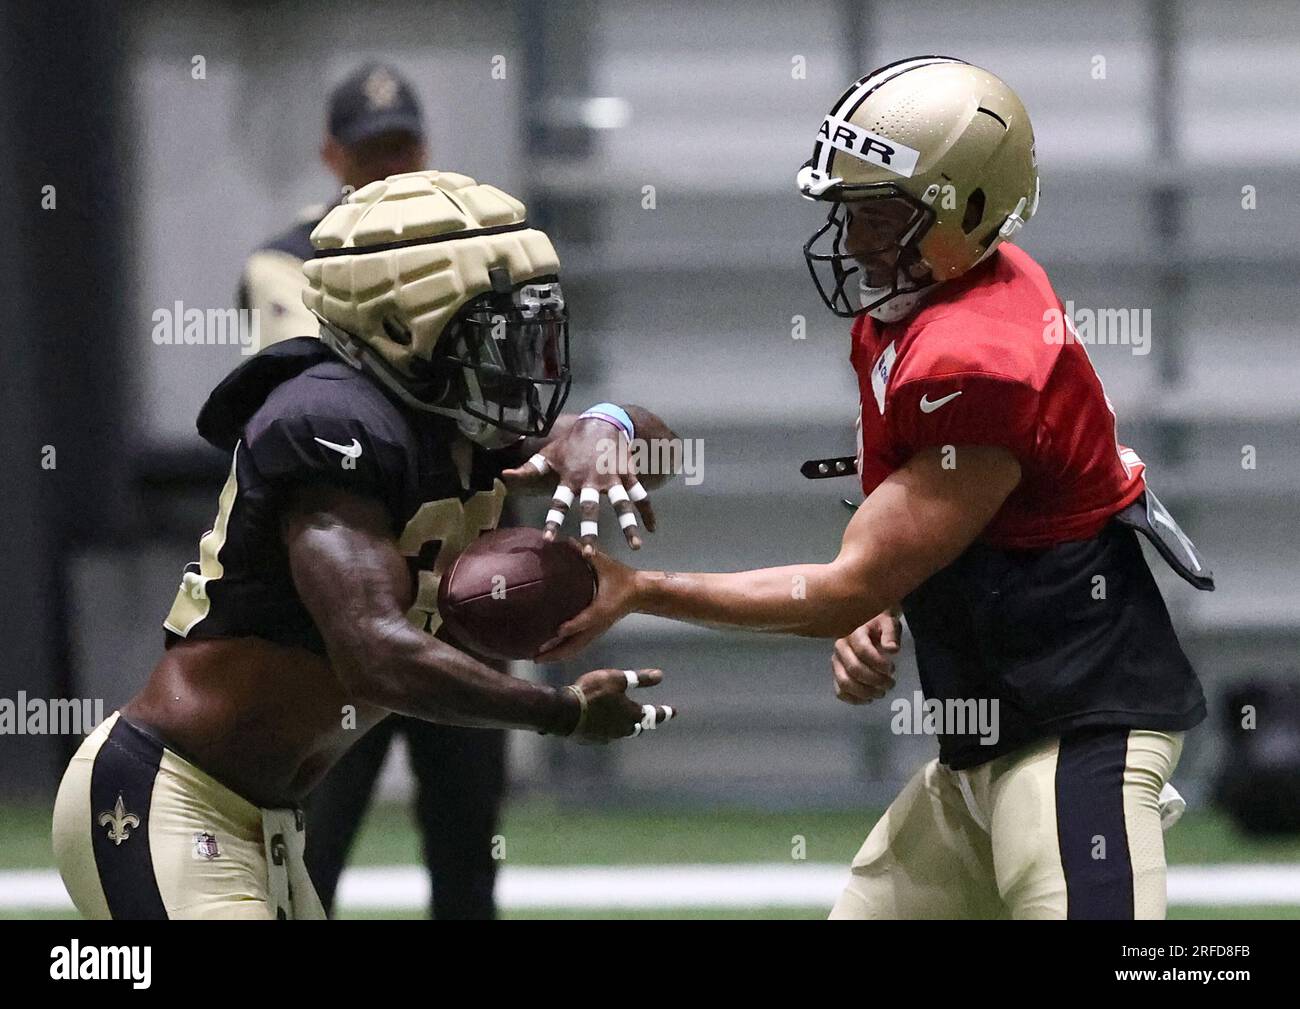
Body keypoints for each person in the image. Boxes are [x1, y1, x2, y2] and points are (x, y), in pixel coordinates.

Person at [541, 56, 1212, 920]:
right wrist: (884, 596)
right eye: (849, 211)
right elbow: (914, 518)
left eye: (884, 213)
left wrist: (639, 588)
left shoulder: (977, 351)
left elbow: (844, 584)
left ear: (970, 209)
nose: (856, 239)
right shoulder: (931, 300)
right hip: (983, 746)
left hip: (1074, 737)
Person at [51, 170, 678, 920]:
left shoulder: (457, 418)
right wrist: (561, 711)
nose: (522, 357)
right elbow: (377, 653)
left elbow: (662, 454)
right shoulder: (331, 422)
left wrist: (611, 425)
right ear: (402, 329)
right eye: (494, 329)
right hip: (169, 799)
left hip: (268, 822)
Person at [240, 62, 499, 920]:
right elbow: (326, 377)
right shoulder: (286, 262)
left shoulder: (479, 252)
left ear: (425, 147)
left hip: (461, 575)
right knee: (315, 845)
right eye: (372, 151)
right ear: (332, 155)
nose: (390, 166)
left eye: (403, 148)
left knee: (467, 847)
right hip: (343, 580)